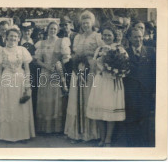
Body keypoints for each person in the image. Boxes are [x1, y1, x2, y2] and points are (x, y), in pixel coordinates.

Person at [64, 10, 104, 142]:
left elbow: (102, 52)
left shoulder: (97, 36)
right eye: (83, 23)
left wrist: (93, 62)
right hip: (78, 69)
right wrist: (76, 60)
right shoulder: (77, 37)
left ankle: (91, 133)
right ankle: (77, 133)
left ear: (92, 23)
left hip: (91, 71)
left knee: (89, 99)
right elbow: (74, 53)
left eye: (88, 23)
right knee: (77, 99)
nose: (86, 25)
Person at [86, 25, 127, 147]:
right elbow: (93, 67)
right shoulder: (99, 49)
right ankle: (102, 138)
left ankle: (108, 139)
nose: (107, 37)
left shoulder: (119, 49)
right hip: (100, 82)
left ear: (114, 36)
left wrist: (116, 71)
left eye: (109, 35)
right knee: (98, 111)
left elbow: (125, 66)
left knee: (110, 111)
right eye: (105, 35)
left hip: (112, 83)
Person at [0, 26, 35, 142]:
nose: (13, 38)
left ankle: (22, 135)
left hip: (20, 79)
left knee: (20, 106)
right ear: (6, 38)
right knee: (8, 105)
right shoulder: (1, 51)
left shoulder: (22, 50)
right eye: (10, 36)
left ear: (18, 38)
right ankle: (7, 135)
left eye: (15, 36)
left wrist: (27, 83)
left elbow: (27, 68)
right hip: (7, 79)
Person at [35, 22, 71, 133]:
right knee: (45, 98)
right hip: (45, 73)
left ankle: (56, 128)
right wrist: (46, 66)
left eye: (55, 28)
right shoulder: (41, 43)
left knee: (56, 98)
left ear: (58, 29)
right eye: (51, 28)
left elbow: (66, 58)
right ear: (47, 29)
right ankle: (45, 128)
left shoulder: (62, 42)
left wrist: (58, 65)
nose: (53, 30)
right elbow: (37, 60)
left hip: (56, 72)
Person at [123, 27, 156, 147]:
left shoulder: (151, 51)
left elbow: (154, 73)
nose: (138, 39)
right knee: (131, 120)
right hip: (130, 92)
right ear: (130, 38)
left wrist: (154, 91)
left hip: (145, 92)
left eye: (140, 36)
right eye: (135, 37)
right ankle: (131, 147)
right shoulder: (124, 52)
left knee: (145, 120)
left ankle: (145, 147)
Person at [19, 21, 38, 119]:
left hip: (33, 71)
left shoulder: (36, 42)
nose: (27, 33)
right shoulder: (17, 42)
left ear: (32, 31)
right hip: (19, 72)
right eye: (25, 31)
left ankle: (32, 119)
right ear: (22, 31)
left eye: (29, 31)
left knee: (32, 92)